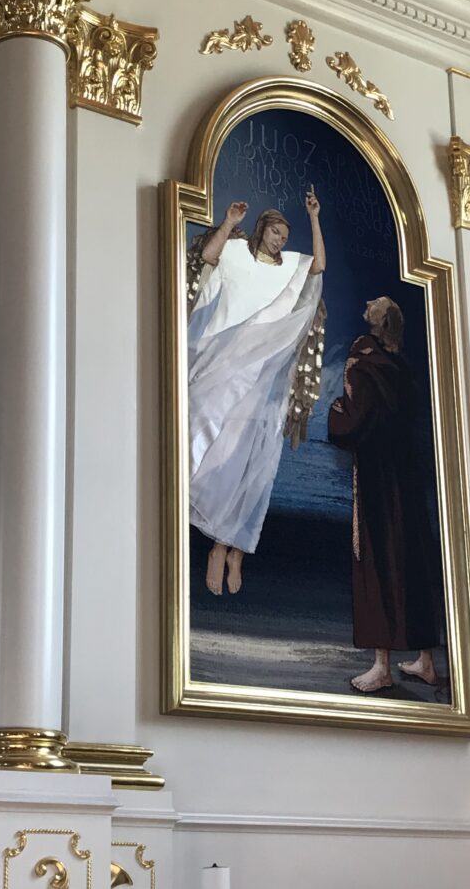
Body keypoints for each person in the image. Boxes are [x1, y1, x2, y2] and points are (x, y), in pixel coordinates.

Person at [188, 189, 325, 595]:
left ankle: (230, 548)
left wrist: (314, 218)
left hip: (259, 375)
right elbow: (209, 256)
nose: (280, 240)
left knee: (247, 458)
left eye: (285, 236)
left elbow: (318, 265)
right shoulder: (236, 252)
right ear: (262, 229)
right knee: (207, 440)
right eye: (276, 232)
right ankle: (219, 539)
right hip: (222, 359)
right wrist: (229, 222)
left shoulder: (290, 269)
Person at [327, 297, 442, 693]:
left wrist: (335, 411)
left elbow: (351, 420)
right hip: (408, 475)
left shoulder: (363, 361)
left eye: (373, 305)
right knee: (414, 560)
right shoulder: (403, 368)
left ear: (376, 323)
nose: (366, 302)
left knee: (378, 561)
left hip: (378, 476)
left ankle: (382, 667)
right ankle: (426, 661)